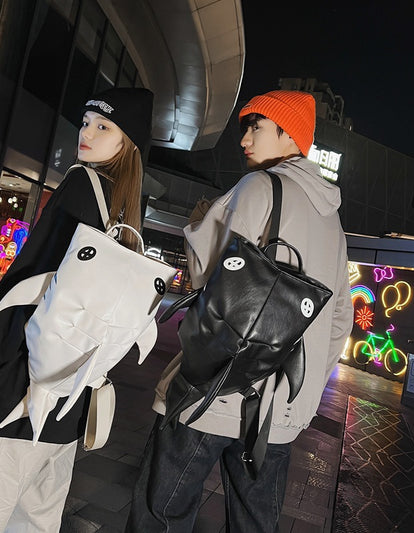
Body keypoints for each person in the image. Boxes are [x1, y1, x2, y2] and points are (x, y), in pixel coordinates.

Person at [126, 90, 353, 532]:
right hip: (279, 412)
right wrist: (301, 395)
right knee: (254, 523)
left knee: (163, 512)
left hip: (215, 391)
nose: (245, 138)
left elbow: (204, 273)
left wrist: (200, 222)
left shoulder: (258, 187)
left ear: (290, 134)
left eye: (258, 126)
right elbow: (339, 318)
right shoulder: (333, 221)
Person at [0, 87, 153, 532]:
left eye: (104, 126)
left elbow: (30, 276)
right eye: (87, 122)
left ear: (126, 143)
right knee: (36, 514)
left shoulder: (80, 184)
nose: (87, 133)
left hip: (26, 383)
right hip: (75, 388)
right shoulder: (124, 207)